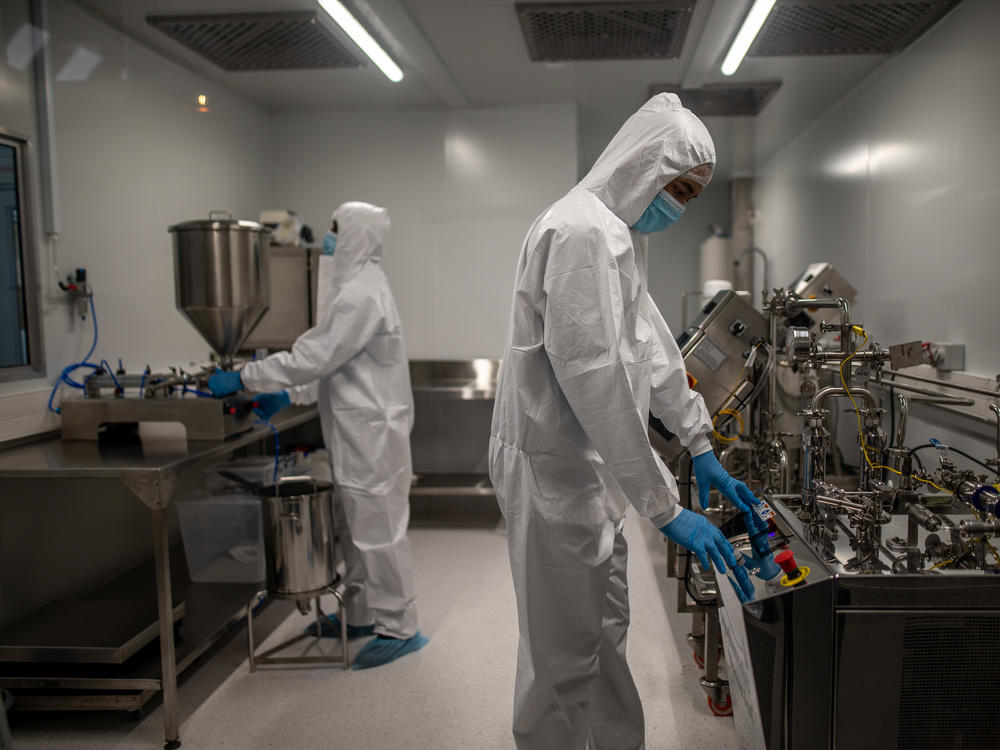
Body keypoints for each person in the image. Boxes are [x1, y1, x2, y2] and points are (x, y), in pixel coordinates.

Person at [488, 93, 764, 749]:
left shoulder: (617, 235)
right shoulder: (579, 232)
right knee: (561, 655)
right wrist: (666, 508)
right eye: (680, 188)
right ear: (645, 163)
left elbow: (653, 351)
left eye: (694, 195)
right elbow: (598, 384)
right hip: (556, 475)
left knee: (602, 633)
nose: (680, 206)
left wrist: (699, 446)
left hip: (590, 474)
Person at [209, 201, 428, 670]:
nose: (328, 240)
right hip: (357, 430)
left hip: (370, 436)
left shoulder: (361, 294)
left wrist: (248, 377)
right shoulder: (355, 288)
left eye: (334, 230)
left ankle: (400, 627)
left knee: (379, 533)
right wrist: (291, 394)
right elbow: (333, 361)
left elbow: (317, 354)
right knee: (355, 528)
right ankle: (363, 614)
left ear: (357, 235)